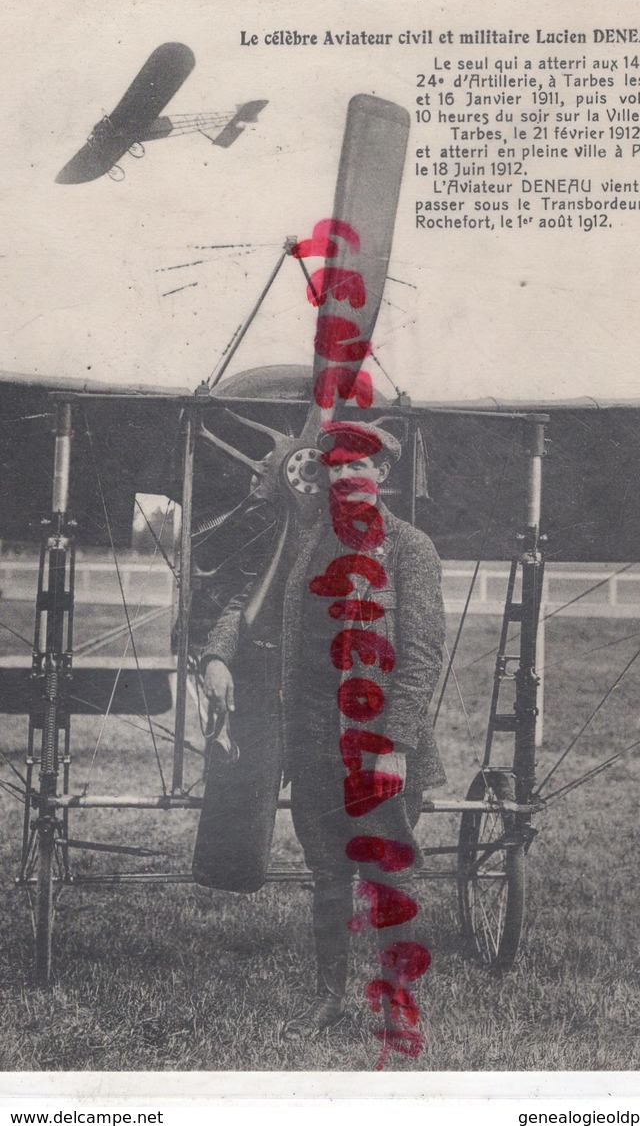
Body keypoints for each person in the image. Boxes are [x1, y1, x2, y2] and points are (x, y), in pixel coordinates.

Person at [202, 421, 446, 1040]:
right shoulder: (309, 540)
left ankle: (395, 1003)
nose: (343, 477)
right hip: (310, 731)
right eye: (334, 467)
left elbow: (420, 657)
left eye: (356, 468)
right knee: (327, 871)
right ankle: (329, 998)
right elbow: (244, 602)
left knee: (386, 869)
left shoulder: (411, 549)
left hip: (375, 740)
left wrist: (397, 746)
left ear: (382, 476)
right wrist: (217, 657)